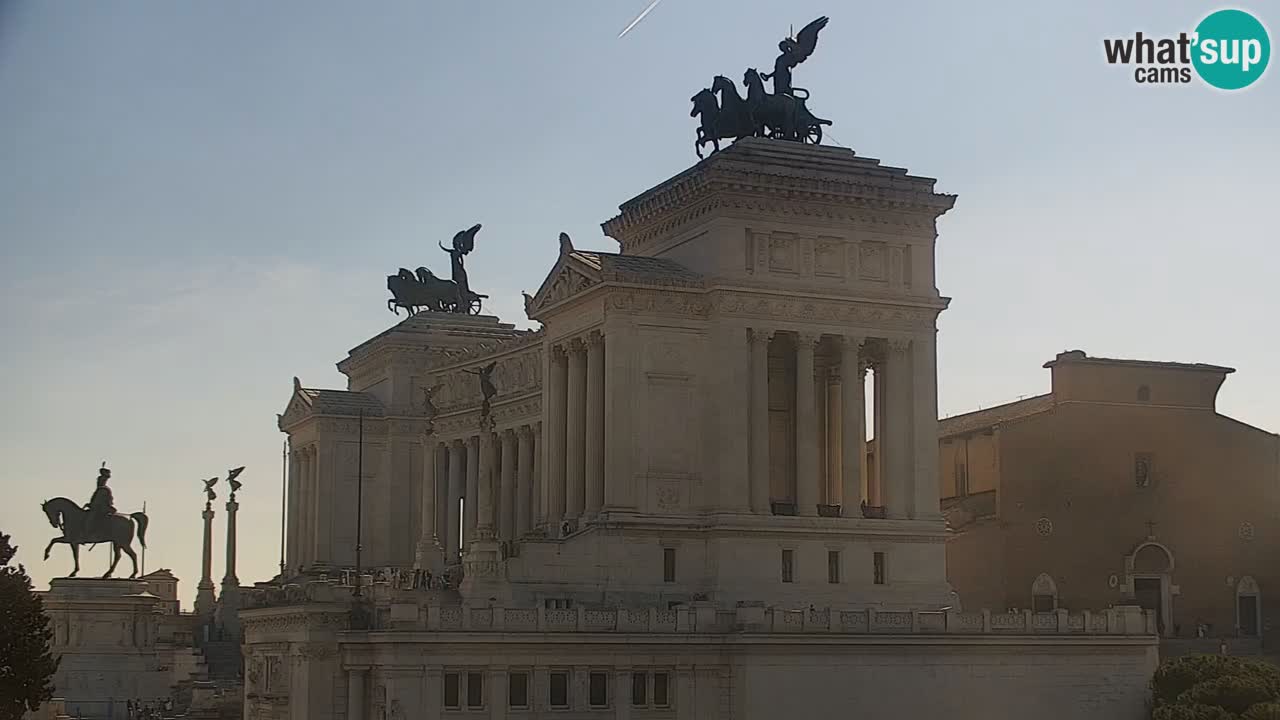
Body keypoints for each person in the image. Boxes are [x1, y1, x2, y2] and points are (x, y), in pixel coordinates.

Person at [84, 465, 116, 539]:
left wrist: (91, 505)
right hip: (100, 507)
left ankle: (90, 532)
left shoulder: (103, 490)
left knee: (90, 517)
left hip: (101, 509)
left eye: (100, 480)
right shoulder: (102, 489)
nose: (98, 481)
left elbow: (98, 502)